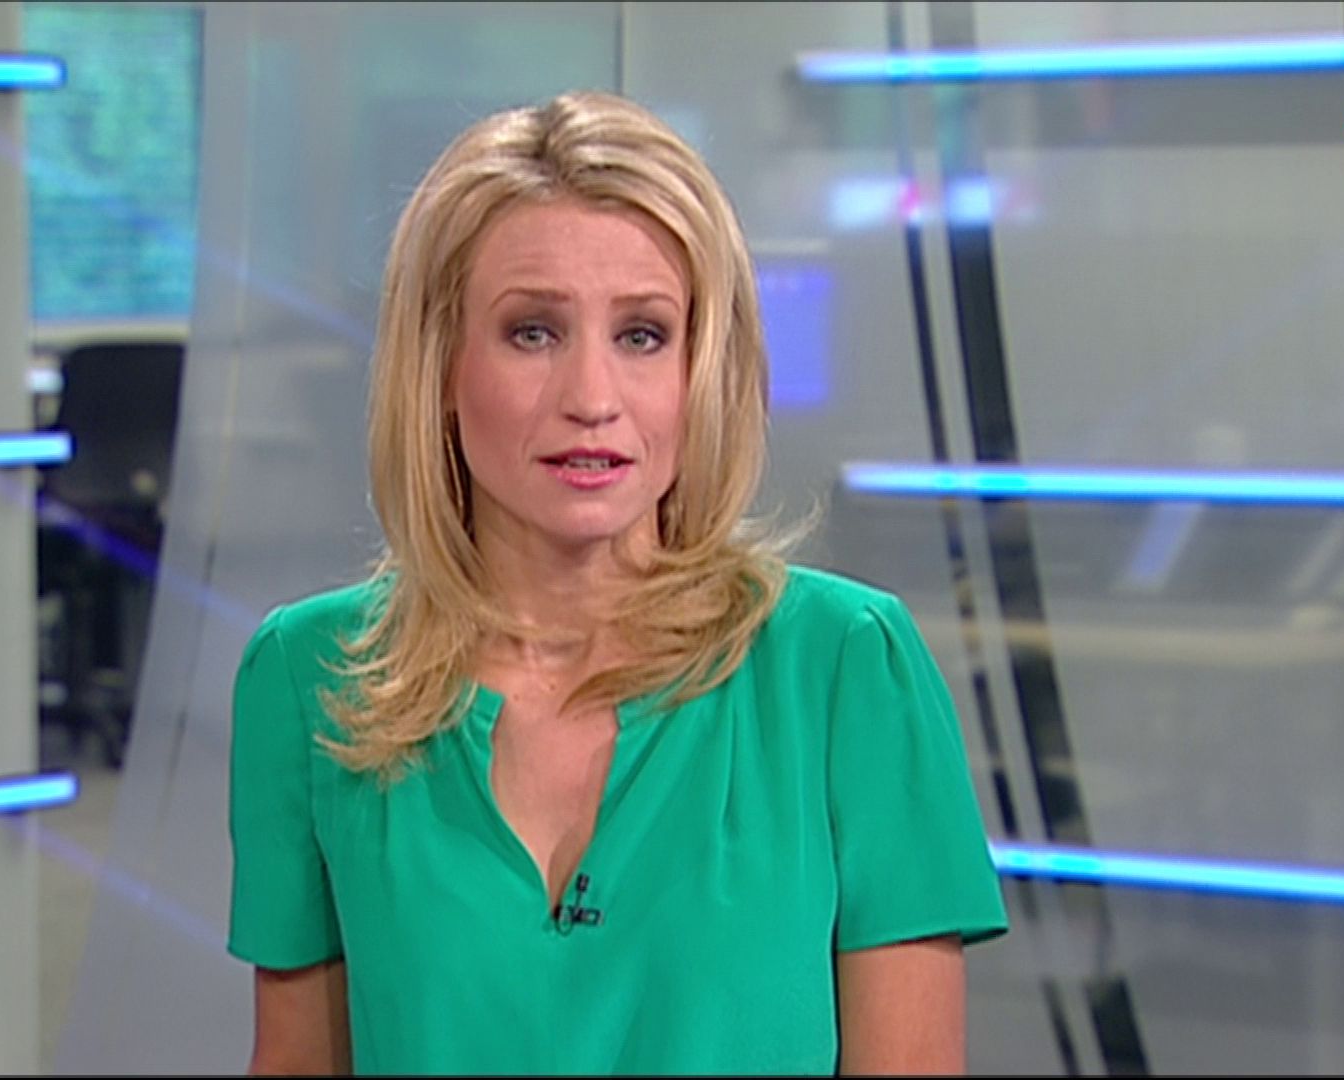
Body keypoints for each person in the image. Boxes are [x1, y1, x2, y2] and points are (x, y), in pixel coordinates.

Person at [227, 90, 1007, 1076]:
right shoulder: (312, 678)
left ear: (701, 371)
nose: (592, 399)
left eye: (642, 335)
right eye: (532, 333)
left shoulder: (846, 669)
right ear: (440, 366)